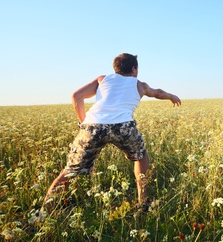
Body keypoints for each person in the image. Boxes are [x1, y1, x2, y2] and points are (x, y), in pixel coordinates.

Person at [42, 53, 181, 214]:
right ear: (134, 68)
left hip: (92, 127)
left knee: (71, 169)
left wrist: (84, 123)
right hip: (122, 127)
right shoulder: (139, 85)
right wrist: (171, 96)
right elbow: (157, 92)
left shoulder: (103, 79)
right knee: (141, 157)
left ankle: (44, 212)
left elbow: (76, 96)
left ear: (116, 68)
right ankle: (143, 202)